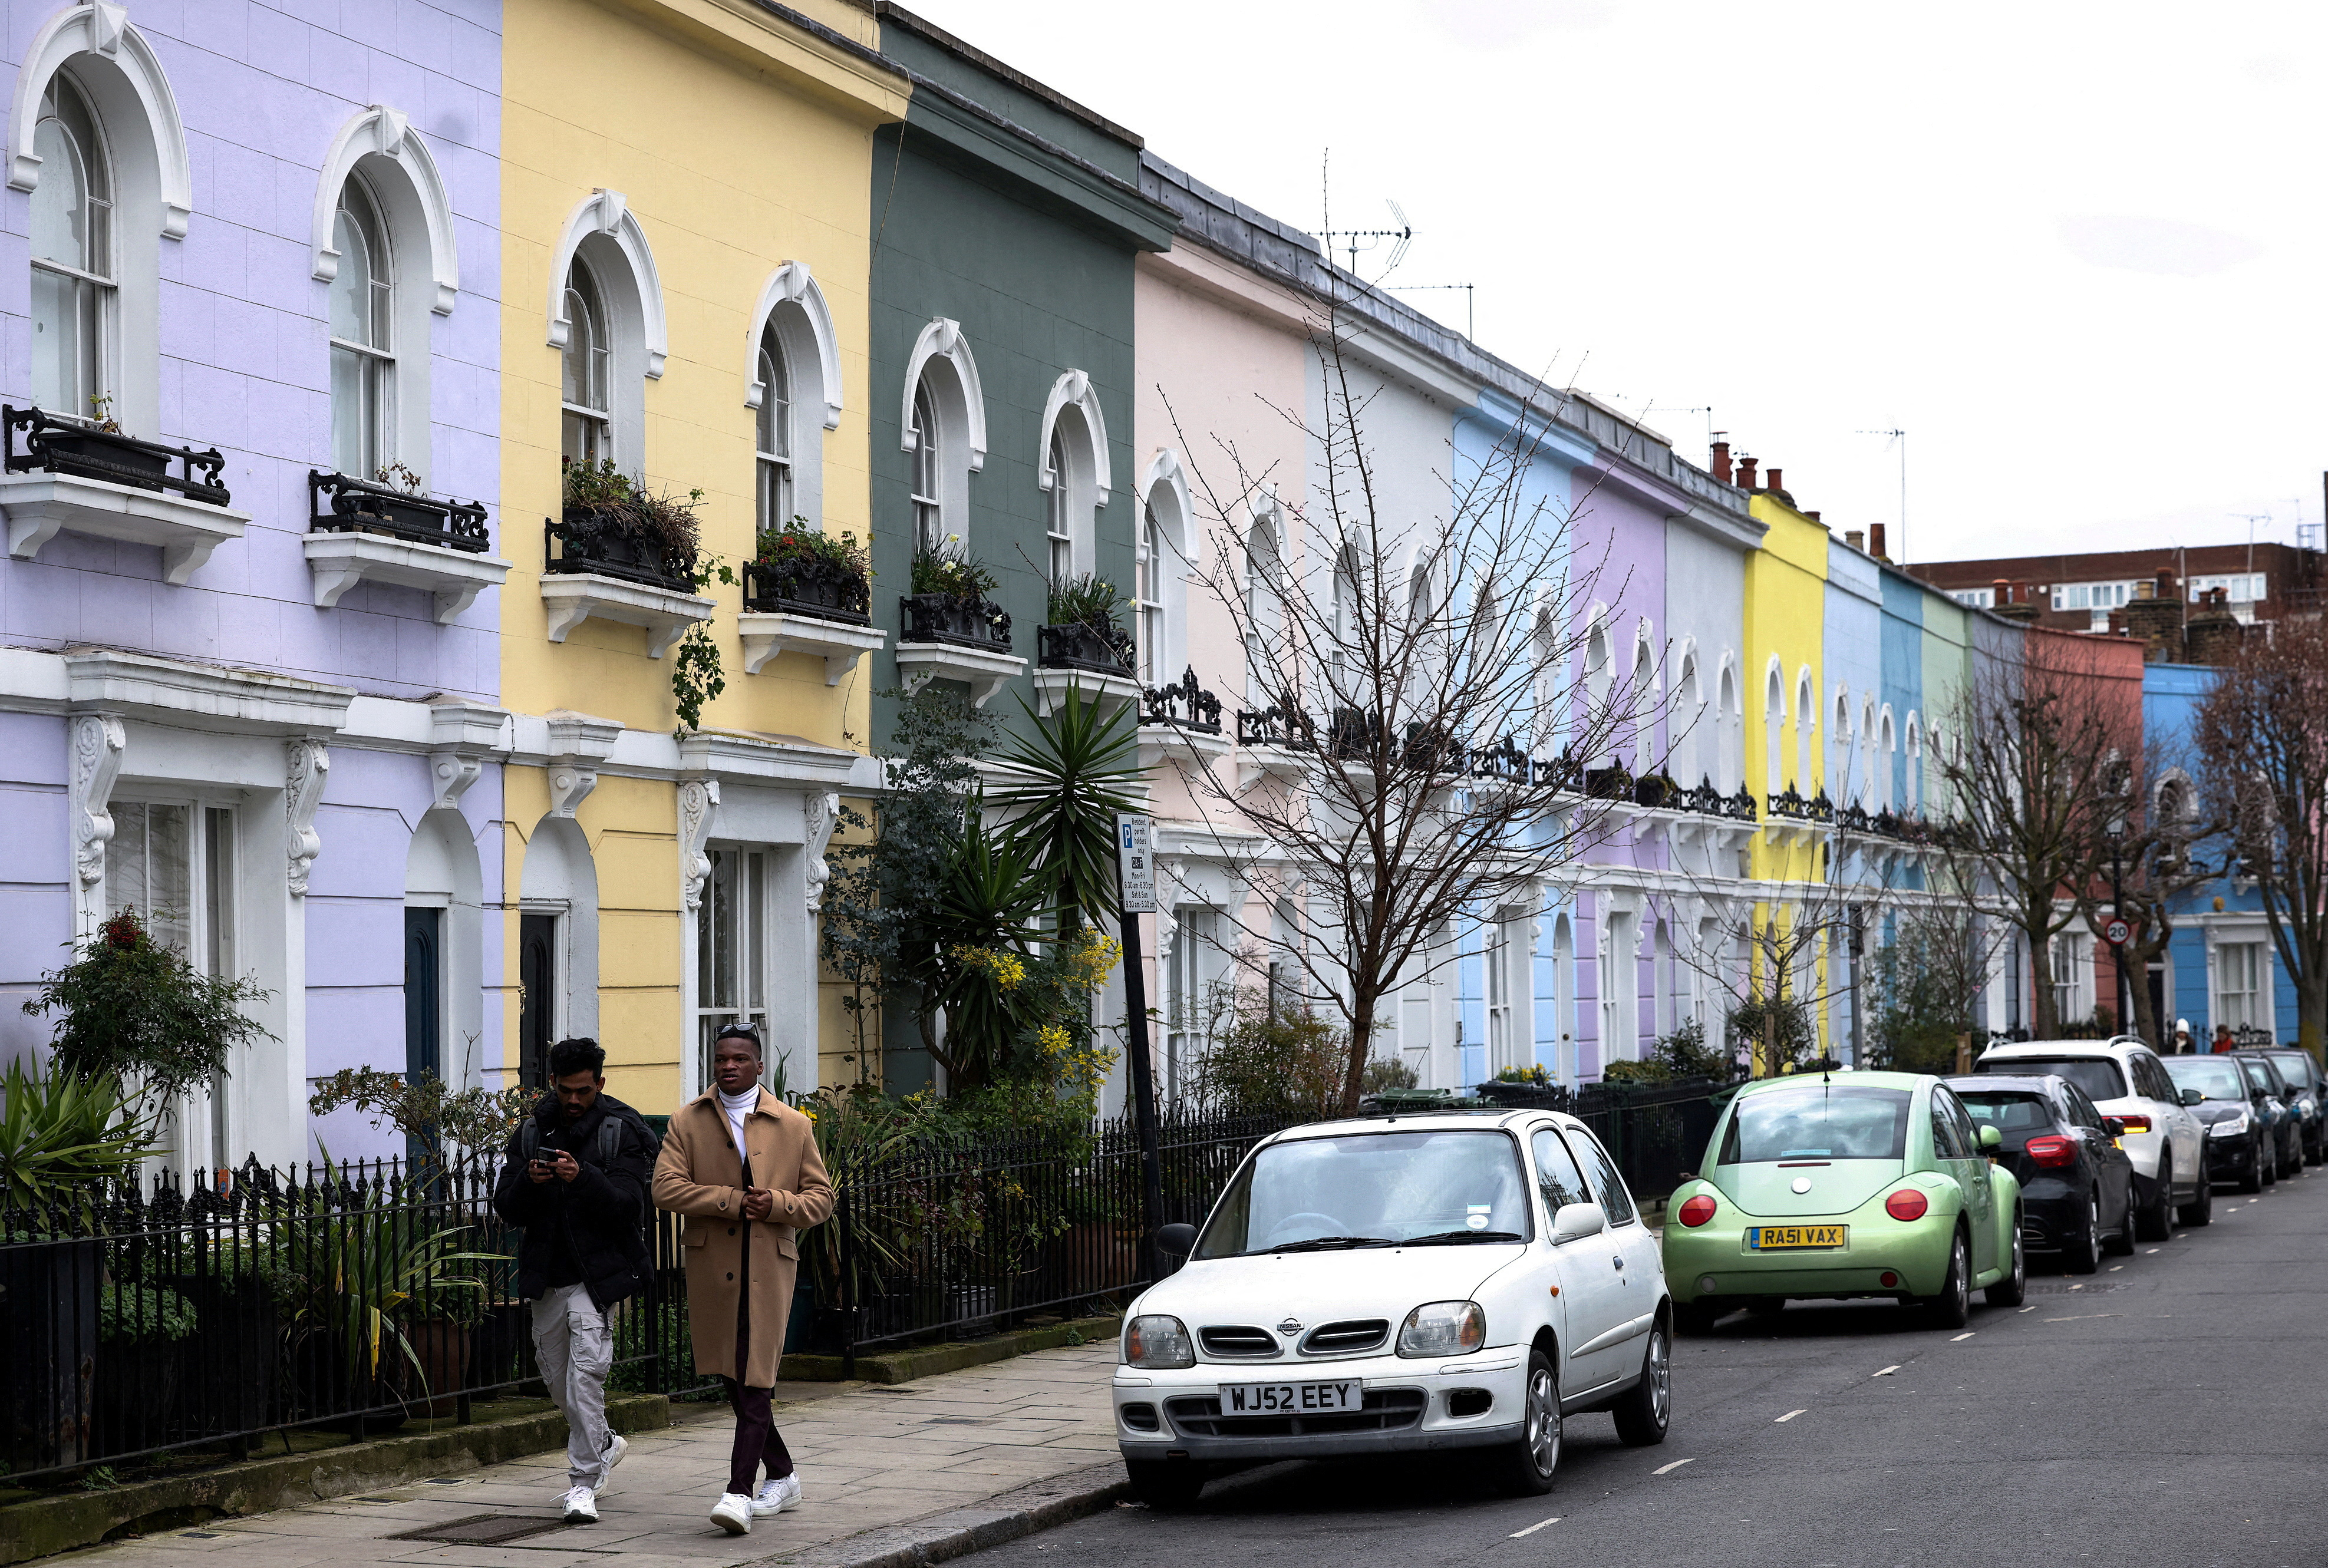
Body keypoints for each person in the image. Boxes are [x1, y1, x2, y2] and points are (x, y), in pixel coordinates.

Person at [652, 1025, 833, 1535]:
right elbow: (664, 1188)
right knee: (734, 1377)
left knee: (756, 1378)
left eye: (739, 1058)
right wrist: (730, 1200)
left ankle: (738, 1492)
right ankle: (784, 1473)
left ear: (758, 1065)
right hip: (714, 1269)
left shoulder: (793, 1125)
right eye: (720, 1058)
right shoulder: (687, 1120)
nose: (728, 1066)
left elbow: (821, 1199)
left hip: (768, 1268)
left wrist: (777, 1204)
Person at [492, 1037, 658, 1524]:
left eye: (583, 1090)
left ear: (599, 1084)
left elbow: (630, 1205)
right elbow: (506, 1205)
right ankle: (604, 1442)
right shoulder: (532, 1130)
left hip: (598, 1274)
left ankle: (582, 1483)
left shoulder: (619, 1130)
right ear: (553, 1084)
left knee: (587, 1374)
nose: (573, 1099)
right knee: (558, 1380)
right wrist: (532, 1181)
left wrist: (581, 1175)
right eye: (566, 1089)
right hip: (548, 1274)